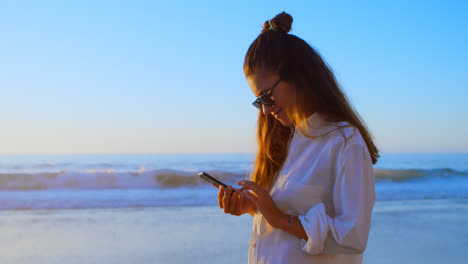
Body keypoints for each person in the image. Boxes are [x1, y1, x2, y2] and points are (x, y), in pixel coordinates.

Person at [214, 11, 379, 264]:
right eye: (259, 101)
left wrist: (279, 219)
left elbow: (352, 236)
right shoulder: (284, 140)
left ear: (299, 77)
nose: (266, 110)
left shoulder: (345, 142)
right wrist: (254, 207)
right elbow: (285, 221)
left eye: (267, 96)